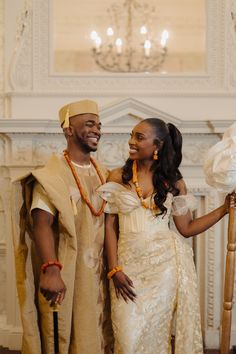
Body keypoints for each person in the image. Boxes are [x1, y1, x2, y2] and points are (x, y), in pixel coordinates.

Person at [97, 118, 235, 354]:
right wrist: (114, 269)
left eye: (139, 137)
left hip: (164, 269)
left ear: (158, 146)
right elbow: (110, 226)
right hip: (127, 268)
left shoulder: (174, 183)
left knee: (156, 337)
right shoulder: (118, 177)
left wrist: (223, 209)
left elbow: (187, 228)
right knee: (127, 341)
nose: (131, 141)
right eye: (132, 135)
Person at [11, 100, 113, 354]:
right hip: (72, 270)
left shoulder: (106, 173)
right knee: (68, 334)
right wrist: (51, 269)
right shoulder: (51, 175)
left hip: (102, 272)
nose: (97, 130)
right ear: (67, 129)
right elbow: (41, 222)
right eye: (89, 124)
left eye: (99, 125)